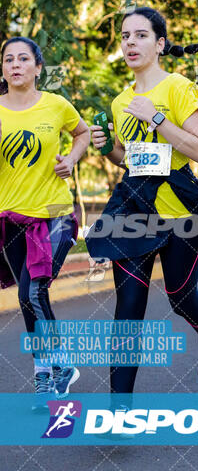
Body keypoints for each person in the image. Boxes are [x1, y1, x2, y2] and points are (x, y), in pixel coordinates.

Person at [87, 7, 198, 407]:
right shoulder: (120, 101)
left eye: (141, 35)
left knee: (181, 296)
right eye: (125, 36)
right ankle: (119, 409)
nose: (130, 42)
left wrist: (158, 117)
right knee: (128, 306)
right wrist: (108, 147)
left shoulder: (178, 88)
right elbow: (132, 160)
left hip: (181, 212)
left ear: (160, 44)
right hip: (135, 211)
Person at [0, 37, 90, 409]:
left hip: (54, 217)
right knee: (29, 298)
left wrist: (71, 158)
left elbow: (82, 132)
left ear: (38, 68)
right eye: (8, 59)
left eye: (23, 59)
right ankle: (55, 369)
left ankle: (50, 371)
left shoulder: (56, 105)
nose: (15, 65)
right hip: (10, 217)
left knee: (30, 293)